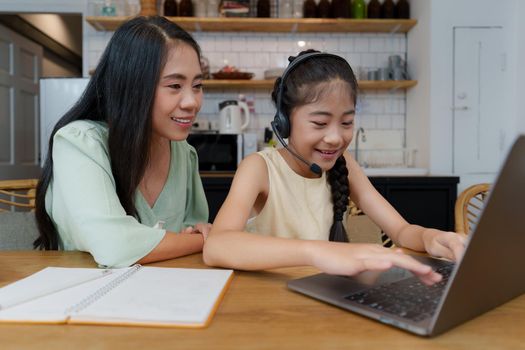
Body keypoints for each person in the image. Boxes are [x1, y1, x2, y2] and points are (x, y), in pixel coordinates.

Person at [204, 50, 467, 284]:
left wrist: (430, 238)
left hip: (319, 298)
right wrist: (316, 251)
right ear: (284, 122)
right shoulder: (259, 168)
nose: (335, 137)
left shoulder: (344, 164)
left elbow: (401, 231)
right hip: (265, 303)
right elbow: (217, 245)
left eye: (346, 122)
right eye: (319, 123)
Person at [34, 16, 210, 268]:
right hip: (83, 297)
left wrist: (197, 236)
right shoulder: (80, 144)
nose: (192, 102)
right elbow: (113, 246)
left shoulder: (183, 152)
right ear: (132, 85)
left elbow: (193, 228)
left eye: (197, 85)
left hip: (165, 295)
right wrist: (205, 240)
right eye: (174, 85)